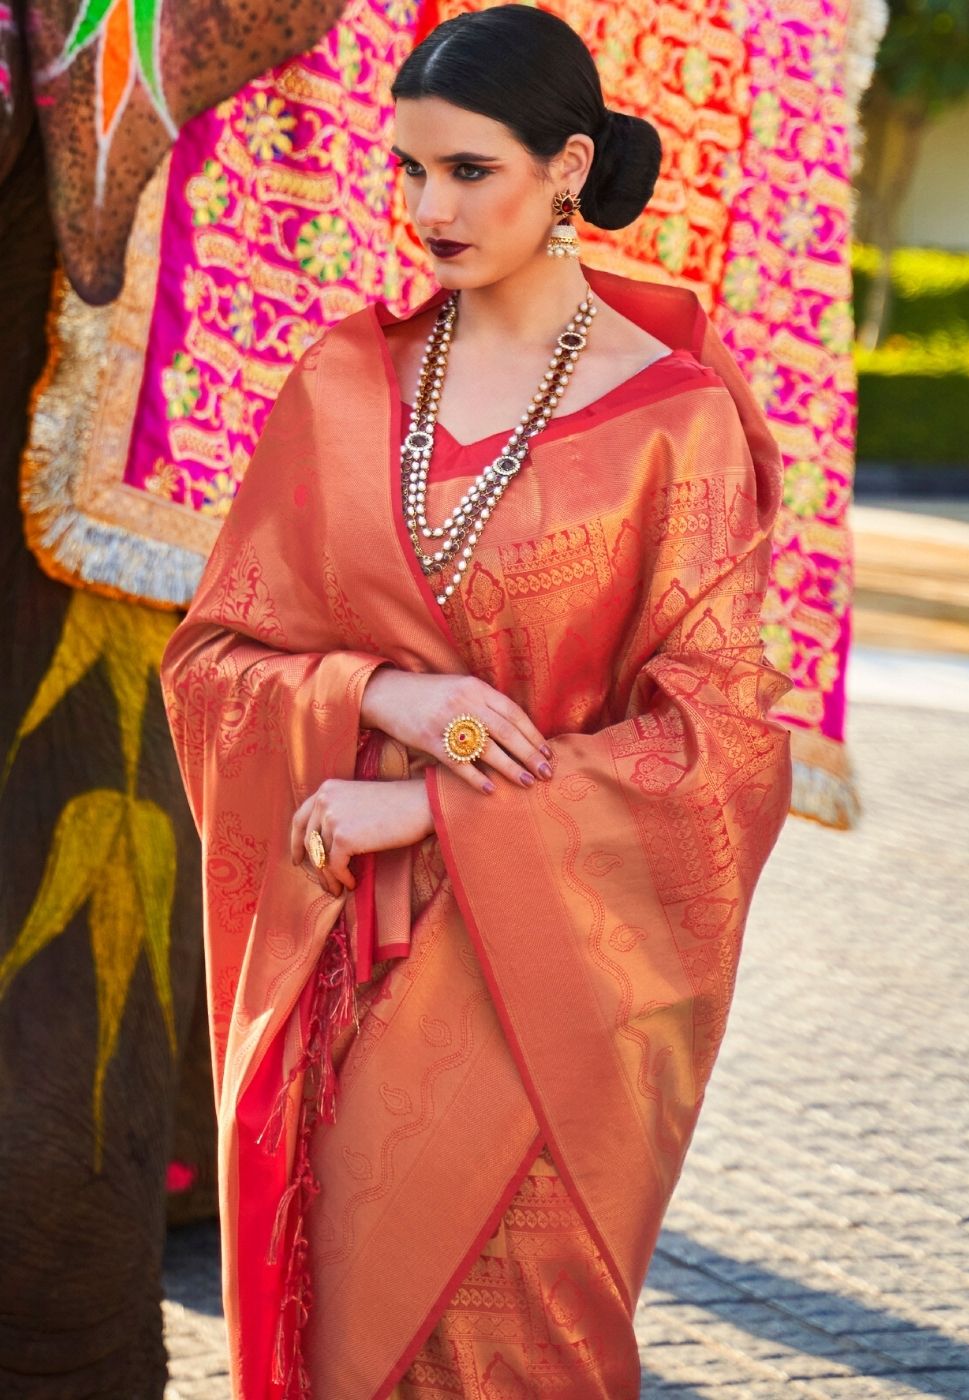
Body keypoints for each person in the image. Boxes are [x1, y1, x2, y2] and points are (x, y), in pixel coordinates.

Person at [159, 5, 795, 1397]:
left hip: (550, 1005)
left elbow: (726, 752)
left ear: (567, 167)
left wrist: (429, 812)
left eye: (468, 171)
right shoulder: (341, 382)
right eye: (410, 171)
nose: (427, 208)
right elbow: (211, 668)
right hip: (347, 989)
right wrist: (389, 693)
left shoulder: (674, 423)